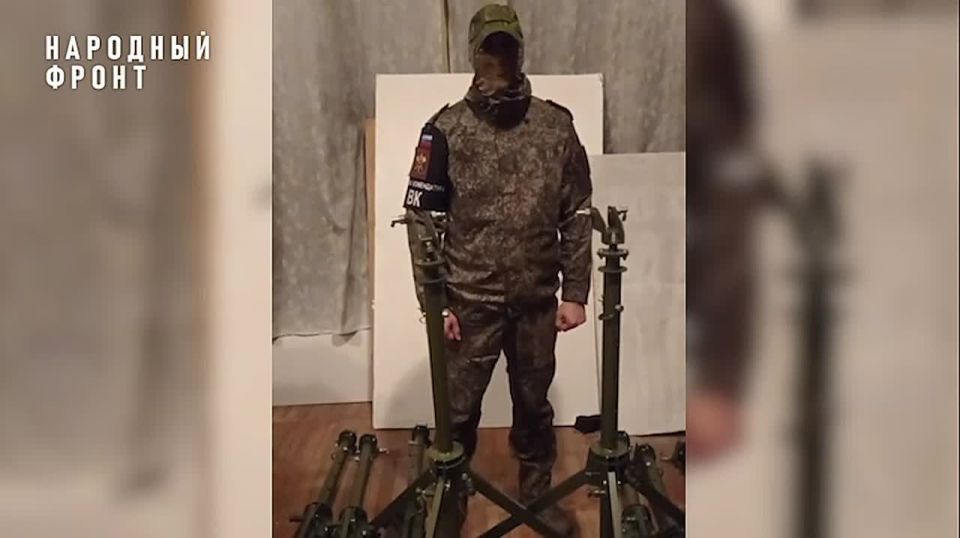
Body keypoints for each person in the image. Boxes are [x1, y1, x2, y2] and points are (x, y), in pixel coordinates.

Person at [401, 4, 592, 535]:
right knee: (458, 412)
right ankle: (451, 497)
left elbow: (577, 210)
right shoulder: (445, 130)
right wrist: (434, 302)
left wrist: (576, 291)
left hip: (536, 301)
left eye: (507, 48)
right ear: (473, 53)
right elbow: (421, 219)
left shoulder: (555, 127)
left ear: (521, 51)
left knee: (533, 405)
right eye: (490, 49)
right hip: (470, 302)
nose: (499, 60)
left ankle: (537, 494)